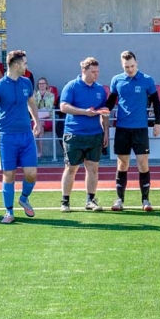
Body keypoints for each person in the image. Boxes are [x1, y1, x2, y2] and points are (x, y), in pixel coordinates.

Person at [0, 50, 42, 224]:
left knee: (31, 174)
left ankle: (24, 198)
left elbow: (31, 102)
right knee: (9, 174)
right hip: (7, 137)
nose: (26, 66)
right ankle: (9, 211)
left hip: (26, 136)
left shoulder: (26, 83)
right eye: (24, 63)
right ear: (16, 65)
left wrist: (36, 121)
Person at [105, 51, 160, 212]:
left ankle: (145, 200)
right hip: (122, 128)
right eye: (126, 67)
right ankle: (119, 199)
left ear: (136, 63)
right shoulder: (117, 80)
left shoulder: (147, 80)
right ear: (122, 65)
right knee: (122, 163)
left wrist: (158, 123)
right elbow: (110, 102)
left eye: (131, 66)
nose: (129, 69)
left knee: (143, 163)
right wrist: (100, 111)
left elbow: (156, 103)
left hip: (140, 129)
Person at [57, 56, 110, 212]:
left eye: (98, 71)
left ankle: (90, 200)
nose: (96, 74)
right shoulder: (71, 86)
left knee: (93, 168)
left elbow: (104, 112)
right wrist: (84, 112)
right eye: (93, 72)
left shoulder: (100, 89)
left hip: (95, 135)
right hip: (74, 134)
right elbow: (63, 107)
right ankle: (65, 201)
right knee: (71, 168)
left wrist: (106, 131)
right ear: (84, 71)